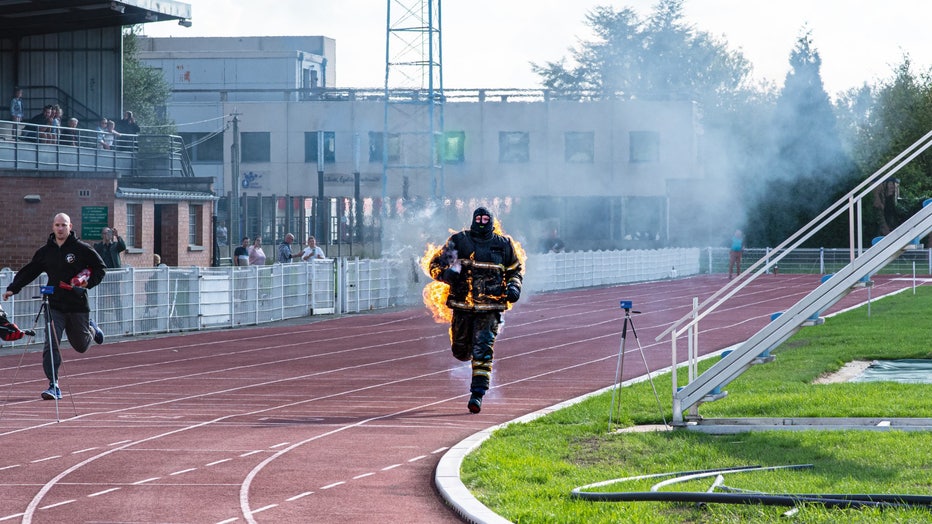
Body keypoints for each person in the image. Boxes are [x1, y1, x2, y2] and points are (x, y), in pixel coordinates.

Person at [2, 212, 106, 400]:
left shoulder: (82, 249)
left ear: (70, 227)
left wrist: (86, 284)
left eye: (63, 225)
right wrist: (13, 288)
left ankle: (92, 329)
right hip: (54, 305)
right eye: (57, 225)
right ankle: (53, 385)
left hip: (77, 305)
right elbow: (30, 270)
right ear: (53, 227)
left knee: (81, 346)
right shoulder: (45, 252)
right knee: (52, 344)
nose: (60, 228)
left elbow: (100, 268)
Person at [429, 207, 523, 414]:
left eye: (485, 218)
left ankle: (477, 394)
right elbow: (434, 265)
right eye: (478, 218)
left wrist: (514, 287)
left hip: (490, 309)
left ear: (491, 221)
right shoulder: (459, 241)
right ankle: (470, 354)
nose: (481, 222)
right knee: (460, 350)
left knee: (483, 350)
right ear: (473, 219)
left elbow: (515, 270)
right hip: (462, 307)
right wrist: (446, 275)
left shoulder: (503, 244)